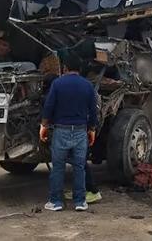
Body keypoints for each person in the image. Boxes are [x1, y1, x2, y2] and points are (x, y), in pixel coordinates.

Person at [40, 54, 98, 212]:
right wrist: (92, 129)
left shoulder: (57, 84)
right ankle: (80, 202)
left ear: (65, 68)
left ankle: (56, 202)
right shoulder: (87, 86)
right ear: (80, 70)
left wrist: (44, 126)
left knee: (58, 167)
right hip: (80, 131)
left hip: (61, 130)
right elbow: (93, 111)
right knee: (79, 167)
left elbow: (49, 106)